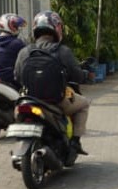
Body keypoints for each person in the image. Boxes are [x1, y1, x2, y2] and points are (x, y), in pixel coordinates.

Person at [14, 10, 91, 155]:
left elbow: (17, 76)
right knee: (84, 104)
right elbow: (78, 76)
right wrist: (83, 76)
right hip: (57, 100)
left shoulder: (24, 51)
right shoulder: (63, 51)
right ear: (57, 28)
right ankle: (75, 141)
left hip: (29, 99)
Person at [0, 12, 27, 89]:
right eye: (15, 26)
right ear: (8, 25)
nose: (18, 28)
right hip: (11, 82)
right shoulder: (18, 43)